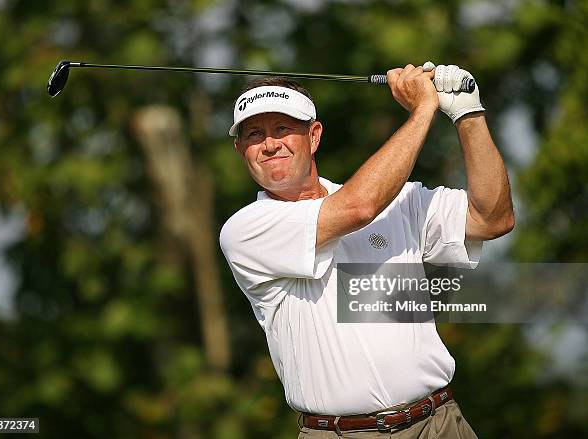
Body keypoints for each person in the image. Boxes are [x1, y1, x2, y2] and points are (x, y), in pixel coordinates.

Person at [219, 62, 514, 438]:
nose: (270, 143)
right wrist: (425, 108)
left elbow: (493, 219)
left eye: (282, 129)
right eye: (254, 134)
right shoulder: (246, 229)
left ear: (313, 136)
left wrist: (468, 114)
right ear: (241, 149)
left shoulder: (400, 200)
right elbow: (359, 207)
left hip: (440, 423)